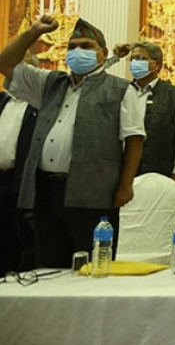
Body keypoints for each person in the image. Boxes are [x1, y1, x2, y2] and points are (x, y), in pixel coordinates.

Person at [0, 16, 144, 267]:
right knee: (48, 266)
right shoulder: (49, 83)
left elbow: (134, 139)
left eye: (86, 46)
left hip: (94, 192)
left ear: (103, 54)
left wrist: (125, 185)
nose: (78, 52)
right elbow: (5, 63)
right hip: (46, 191)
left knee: (91, 266)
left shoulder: (121, 89)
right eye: (72, 47)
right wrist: (34, 32)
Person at [115, 41, 175, 181]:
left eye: (140, 58)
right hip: (122, 174)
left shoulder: (174, 95)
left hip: (160, 174)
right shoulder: (122, 92)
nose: (134, 63)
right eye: (132, 59)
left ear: (157, 65)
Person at [0, 54, 40, 273]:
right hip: (1, 179)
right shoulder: (1, 101)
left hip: (24, 179)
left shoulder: (41, 105)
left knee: (24, 236)